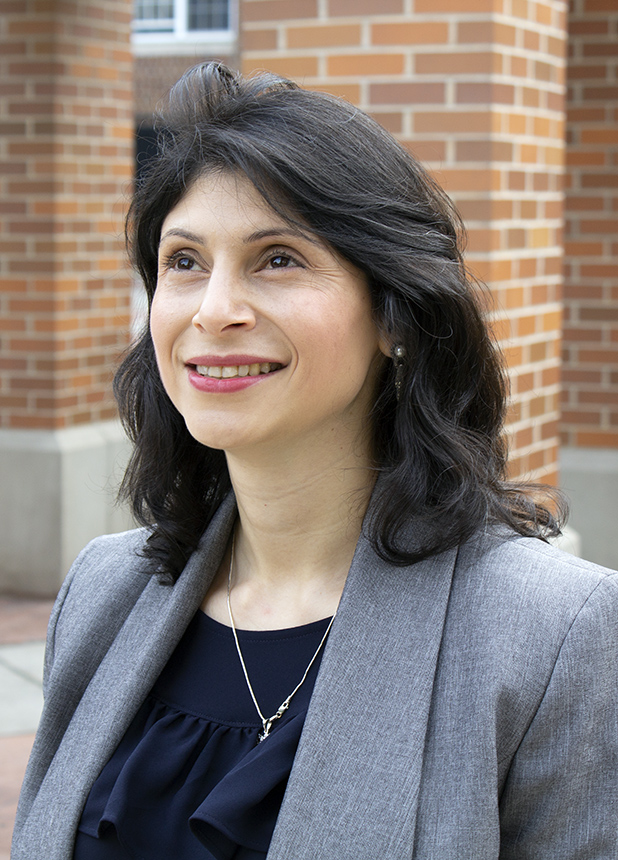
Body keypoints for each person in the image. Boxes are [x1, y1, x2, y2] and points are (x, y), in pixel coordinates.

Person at [12, 62, 618, 860]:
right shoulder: (102, 592)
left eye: (278, 259)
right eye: (184, 261)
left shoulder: (552, 636)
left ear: (395, 316)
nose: (214, 311)